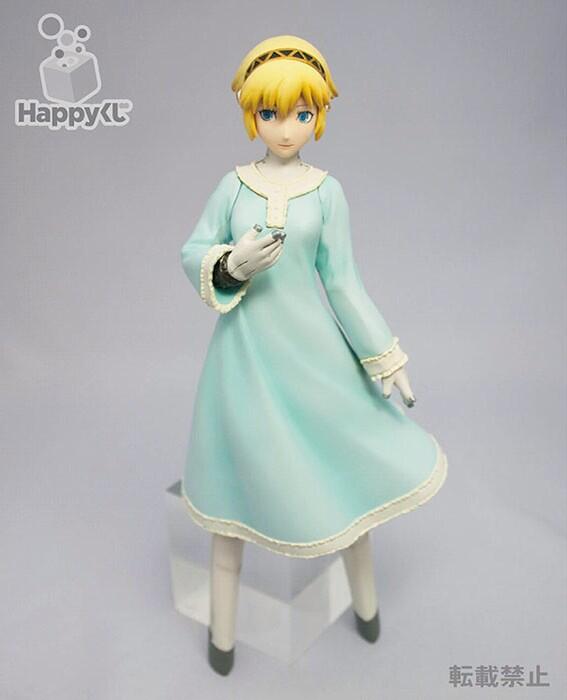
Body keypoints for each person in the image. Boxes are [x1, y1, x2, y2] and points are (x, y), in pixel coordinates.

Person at [180, 35, 448, 675]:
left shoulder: (327, 193)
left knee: (348, 482)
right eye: (270, 113)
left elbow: (344, 283)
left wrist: (386, 356)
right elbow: (193, 250)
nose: (285, 128)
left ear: (319, 116)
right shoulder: (233, 187)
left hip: (316, 363)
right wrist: (231, 264)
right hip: (245, 363)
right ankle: (222, 638)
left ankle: (367, 605)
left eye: (302, 114)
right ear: (252, 114)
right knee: (230, 506)